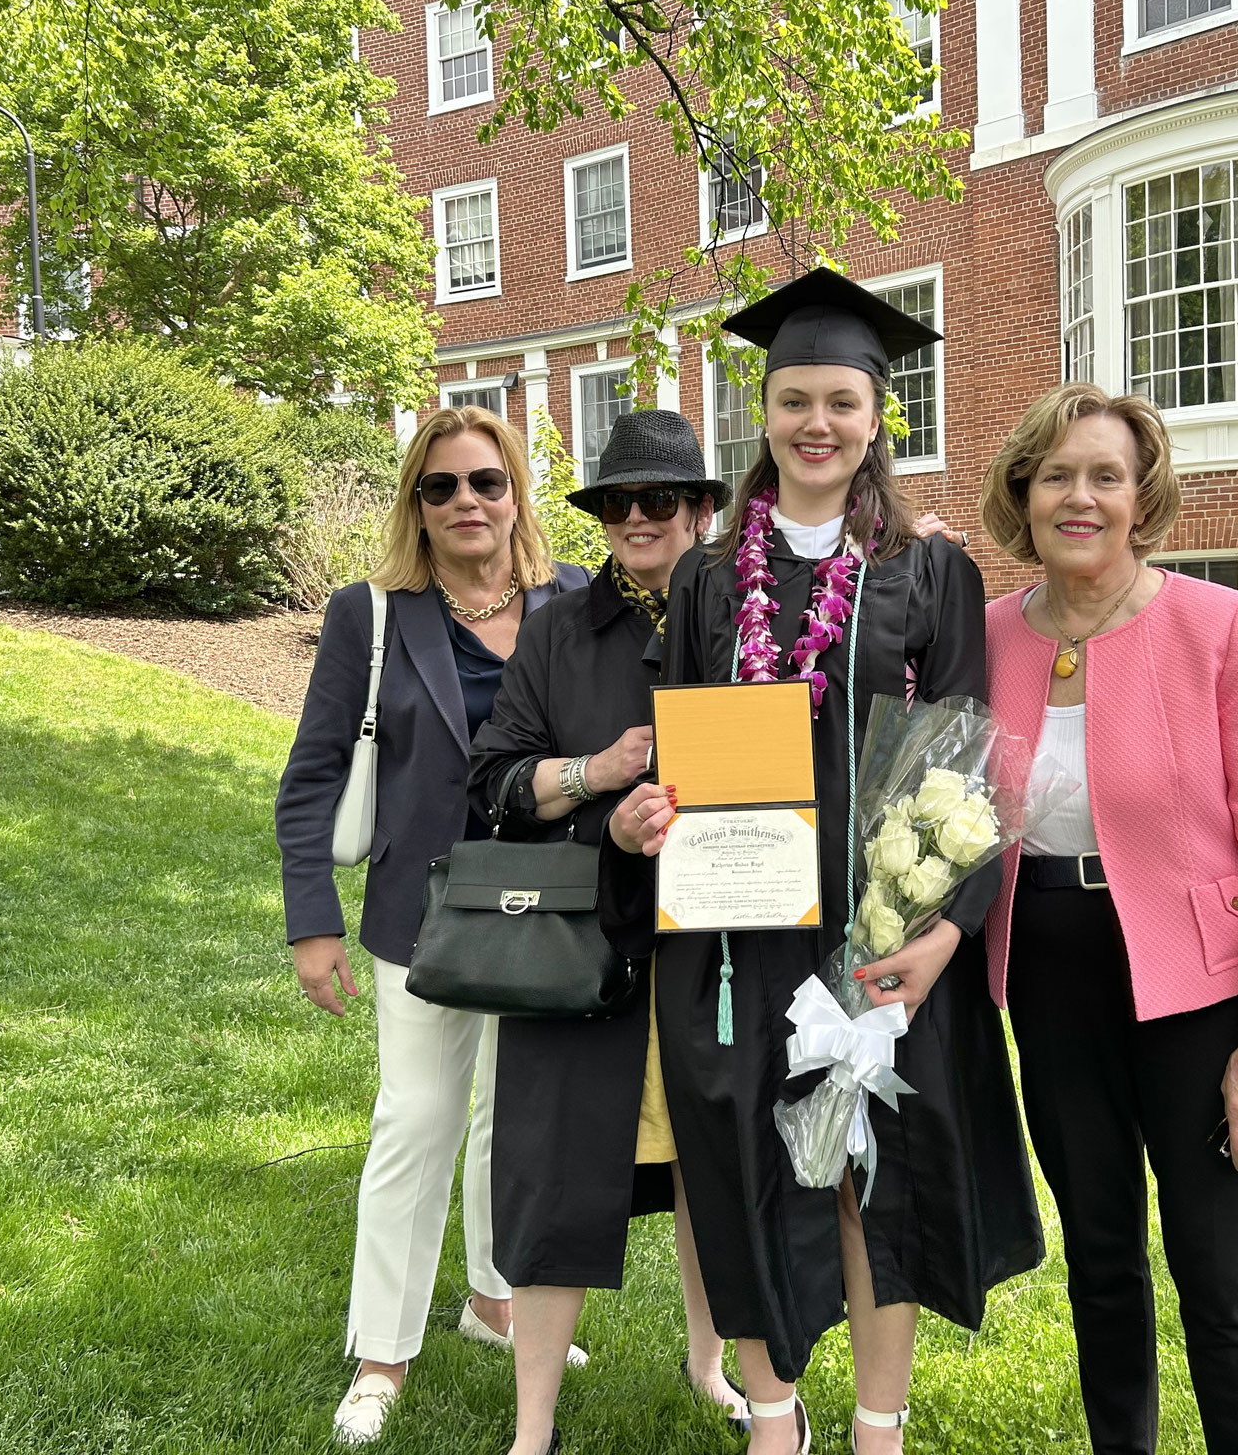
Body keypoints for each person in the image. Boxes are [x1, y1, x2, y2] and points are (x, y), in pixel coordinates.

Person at [601, 269, 1043, 1455]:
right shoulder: (704, 580)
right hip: (736, 929)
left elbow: (966, 764)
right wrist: (651, 814)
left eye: (840, 401)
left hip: (877, 927)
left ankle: (879, 1426)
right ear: (763, 408)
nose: (815, 424)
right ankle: (773, 1415)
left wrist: (940, 923)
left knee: (873, 1169)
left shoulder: (926, 569)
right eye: (792, 398)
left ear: (874, 415)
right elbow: (691, 746)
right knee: (747, 1159)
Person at [976, 382, 1238, 1455]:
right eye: (1054, 476)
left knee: (1219, 1280)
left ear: (1141, 497)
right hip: (1045, 978)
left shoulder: (1219, 625)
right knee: (1098, 1259)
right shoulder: (986, 633)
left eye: (1103, 477)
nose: (1076, 498)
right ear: (1021, 495)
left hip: (1194, 987)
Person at [275, 404, 590, 1446]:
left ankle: (493, 1301)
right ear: (417, 501)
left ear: (516, 494)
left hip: (546, 906)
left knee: (514, 1121)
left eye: (485, 482)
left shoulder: (571, 602)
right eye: (441, 485)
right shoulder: (370, 616)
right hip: (418, 915)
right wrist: (311, 919)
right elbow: (314, 772)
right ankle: (381, 1354)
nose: (466, 501)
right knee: (415, 1124)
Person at [467, 409, 751, 1455]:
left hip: (717, 940)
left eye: (660, 499)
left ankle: (711, 1364)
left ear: (700, 510)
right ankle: (530, 1426)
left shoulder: (746, 619)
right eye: (617, 501)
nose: (637, 517)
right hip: (580, 943)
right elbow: (491, 784)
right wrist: (597, 792)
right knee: (553, 1171)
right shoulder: (553, 630)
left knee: (710, 1166)